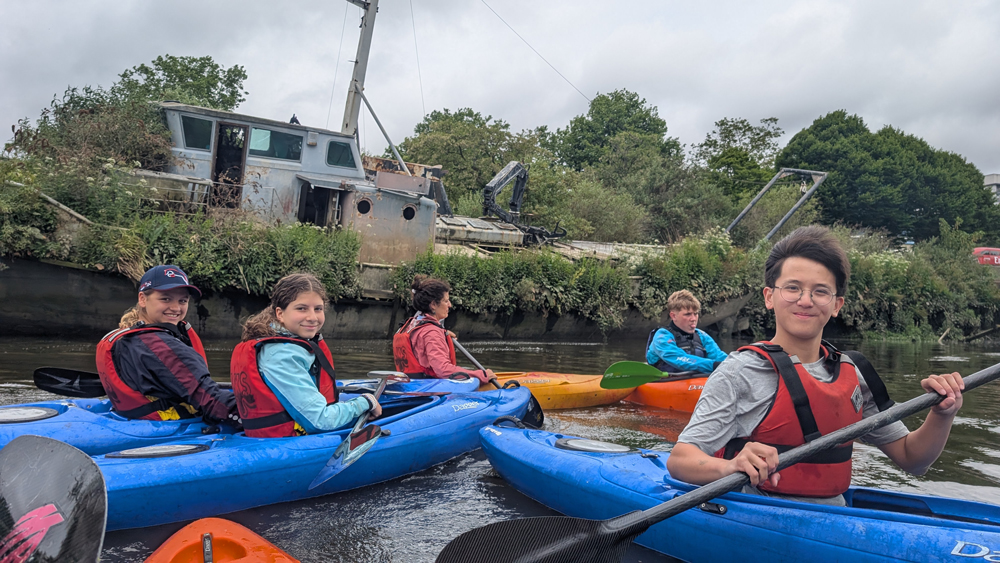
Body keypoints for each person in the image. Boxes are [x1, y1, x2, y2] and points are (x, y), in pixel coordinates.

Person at [666, 226, 964, 505]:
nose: (806, 300)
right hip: (756, 519)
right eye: (792, 288)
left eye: (821, 291)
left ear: (837, 305)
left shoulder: (853, 374)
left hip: (832, 520)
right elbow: (680, 460)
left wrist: (942, 414)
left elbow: (913, 459)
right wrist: (731, 466)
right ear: (770, 297)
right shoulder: (739, 372)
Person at [231, 273, 381, 438]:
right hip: (288, 445)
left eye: (318, 309)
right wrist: (366, 402)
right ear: (280, 313)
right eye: (301, 308)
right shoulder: (280, 356)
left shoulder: (287, 343)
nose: (312, 318)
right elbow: (321, 421)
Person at [96, 265, 240, 428]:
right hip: (170, 428)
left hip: (135, 422)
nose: (176, 308)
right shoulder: (160, 346)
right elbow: (211, 401)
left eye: (182, 300)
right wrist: (262, 418)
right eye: (165, 298)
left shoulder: (130, 336)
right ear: (142, 299)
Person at [392, 275, 497, 385]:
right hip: (429, 391)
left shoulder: (412, 324)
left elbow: (421, 345)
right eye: (446, 301)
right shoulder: (432, 333)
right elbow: (443, 370)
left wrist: (443, 334)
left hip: (412, 386)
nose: (450, 305)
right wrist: (480, 376)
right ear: (433, 304)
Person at [646, 290, 728, 374]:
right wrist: (713, 365)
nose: (693, 319)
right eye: (688, 314)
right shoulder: (662, 336)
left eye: (695, 314)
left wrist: (734, 363)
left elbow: (719, 357)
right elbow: (679, 359)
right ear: (673, 316)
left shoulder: (702, 336)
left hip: (697, 381)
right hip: (668, 382)